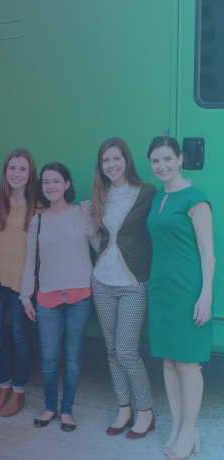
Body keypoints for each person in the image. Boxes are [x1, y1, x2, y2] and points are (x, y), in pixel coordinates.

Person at [0, 150, 92, 418]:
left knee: (51, 349)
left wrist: (93, 215)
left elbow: (94, 241)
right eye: (12, 168)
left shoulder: (61, 212)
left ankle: (44, 401)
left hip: (54, 289)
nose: (16, 174)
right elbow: (29, 260)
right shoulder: (10, 204)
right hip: (20, 286)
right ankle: (25, 396)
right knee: (6, 343)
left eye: (22, 169)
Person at [147, 136, 214, 460]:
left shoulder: (195, 198)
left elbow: (208, 254)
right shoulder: (158, 197)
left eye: (167, 159)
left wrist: (206, 295)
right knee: (168, 360)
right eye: (155, 161)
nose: (161, 166)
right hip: (160, 289)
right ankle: (177, 426)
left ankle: (190, 429)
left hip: (187, 289)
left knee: (188, 363)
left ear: (180, 158)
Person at [20, 162, 99, 432]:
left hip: (80, 297)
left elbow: (100, 246)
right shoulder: (38, 220)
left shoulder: (82, 214)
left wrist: (95, 215)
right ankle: (50, 406)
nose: (50, 186)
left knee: (73, 357)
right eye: (45, 182)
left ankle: (67, 410)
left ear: (67, 184)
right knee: (48, 358)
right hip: (47, 299)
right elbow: (30, 263)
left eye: (56, 181)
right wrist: (25, 297)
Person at [90, 138, 157, 439]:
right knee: (112, 350)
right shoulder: (100, 194)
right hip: (102, 280)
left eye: (116, 159)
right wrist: (85, 224)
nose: (111, 165)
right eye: (106, 161)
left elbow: (160, 229)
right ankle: (124, 407)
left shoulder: (147, 193)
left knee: (127, 350)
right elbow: (100, 241)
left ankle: (146, 411)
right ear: (101, 166)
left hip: (133, 283)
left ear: (126, 161)